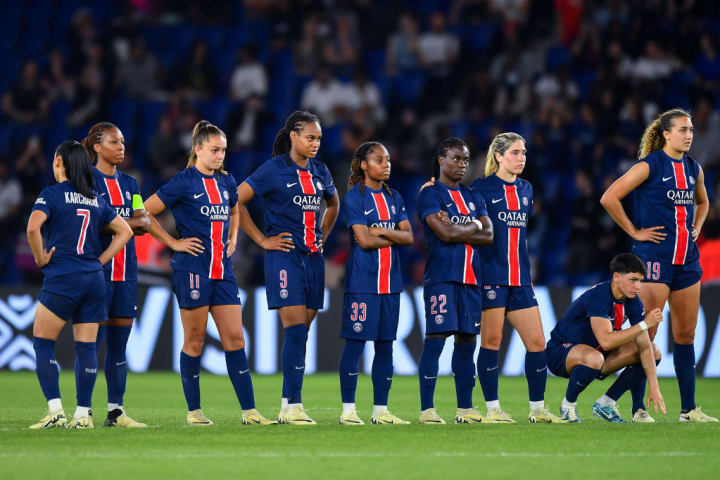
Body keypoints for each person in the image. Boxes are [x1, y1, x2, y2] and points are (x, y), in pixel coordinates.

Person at [144, 120, 274, 426]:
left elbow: (235, 209)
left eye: (223, 150)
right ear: (198, 149)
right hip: (192, 270)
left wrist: (232, 237)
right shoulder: (183, 181)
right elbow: (144, 211)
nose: (220, 155)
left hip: (222, 271)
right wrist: (173, 242)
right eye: (214, 150)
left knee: (236, 339)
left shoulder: (227, 182)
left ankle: (250, 412)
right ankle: (194, 412)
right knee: (195, 340)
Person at [600, 108, 718, 422]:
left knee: (686, 336)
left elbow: (704, 201)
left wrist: (697, 226)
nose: (689, 135)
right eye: (682, 129)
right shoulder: (650, 165)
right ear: (666, 134)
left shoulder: (694, 168)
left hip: (687, 263)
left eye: (691, 129)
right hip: (653, 261)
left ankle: (688, 410)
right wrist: (634, 231)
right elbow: (610, 197)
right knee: (646, 336)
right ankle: (637, 408)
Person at [237, 110, 340, 424]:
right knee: (295, 330)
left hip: (313, 258)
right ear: (293, 137)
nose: (315, 144)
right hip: (284, 256)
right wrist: (261, 240)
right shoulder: (273, 169)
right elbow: (236, 199)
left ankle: (288, 403)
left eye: (319, 138)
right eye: (310, 137)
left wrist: (323, 234)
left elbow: (334, 204)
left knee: (302, 333)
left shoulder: (321, 171)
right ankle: (293, 405)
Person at [27, 141, 132, 429]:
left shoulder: (52, 194)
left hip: (64, 277)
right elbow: (125, 231)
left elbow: (33, 227)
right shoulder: (96, 198)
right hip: (94, 279)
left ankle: (55, 411)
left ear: (59, 162)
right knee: (86, 348)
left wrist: (39, 258)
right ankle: (83, 414)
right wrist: (100, 261)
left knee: (42, 343)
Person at [471, 132, 565, 424]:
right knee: (492, 341)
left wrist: (528, 271)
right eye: (514, 153)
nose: (521, 158)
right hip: (491, 276)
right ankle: (493, 409)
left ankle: (537, 409)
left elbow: (519, 237)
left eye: (523, 153)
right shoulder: (481, 188)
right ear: (498, 156)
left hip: (521, 278)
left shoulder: (526, 189)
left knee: (537, 342)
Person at [416, 138, 493, 424]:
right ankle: (427, 409)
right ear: (440, 160)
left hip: (471, 279)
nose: (462, 164)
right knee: (436, 341)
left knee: (467, 342)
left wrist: (463, 225)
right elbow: (444, 234)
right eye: (456, 159)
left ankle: (465, 409)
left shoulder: (474, 196)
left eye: (465, 159)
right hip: (442, 277)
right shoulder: (430, 195)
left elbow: (489, 235)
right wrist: (474, 224)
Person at [338, 141, 413, 425]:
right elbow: (365, 242)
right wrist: (391, 233)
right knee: (355, 345)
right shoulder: (355, 198)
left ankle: (381, 411)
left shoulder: (395, 198)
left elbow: (409, 237)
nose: (386, 164)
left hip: (391, 284)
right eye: (379, 160)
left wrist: (380, 229)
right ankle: (348, 411)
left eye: (388, 159)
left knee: (385, 346)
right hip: (363, 283)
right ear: (363, 165)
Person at [83, 122, 150, 427]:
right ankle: (83, 411)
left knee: (119, 346)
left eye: (122, 141)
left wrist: (117, 222)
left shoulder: (131, 184)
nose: (121, 146)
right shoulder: (86, 181)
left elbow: (144, 223)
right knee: (90, 344)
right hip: (97, 271)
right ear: (96, 147)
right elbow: (90, 221)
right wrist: (126, 223)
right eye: (114, 142)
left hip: (126, 273)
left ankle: (116, 411)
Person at [546, 253, 666, 423]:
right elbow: (606, 341)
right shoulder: (600, 296)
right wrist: (644, 325)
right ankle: (568, 405)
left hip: (598, 355)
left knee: (653, 351)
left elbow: (645, 347)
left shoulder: (632, 301)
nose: (638, 286)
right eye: (633, 280)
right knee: (595, 358)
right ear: (616, 277)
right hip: (560, 352)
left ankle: (607, 403)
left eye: (640, 280)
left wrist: (654, 386)